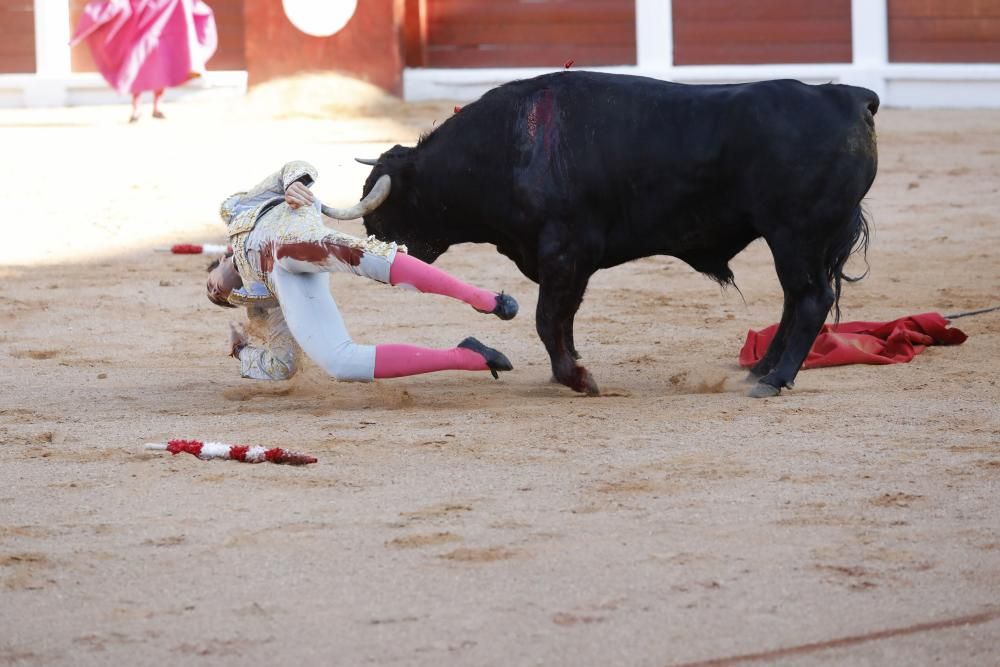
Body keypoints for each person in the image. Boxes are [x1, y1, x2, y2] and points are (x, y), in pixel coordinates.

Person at [206, 160, 518, 383]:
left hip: (285, 229)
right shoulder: (262, 310)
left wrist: (293, 184)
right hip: (286, 276)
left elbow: (292, 168)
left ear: (222, 258)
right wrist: (241, 351)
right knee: (339, 363)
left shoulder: (235, 212)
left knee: (326, 252)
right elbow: (280, 367)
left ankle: (481, 297)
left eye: (210, 286)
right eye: (219, 300)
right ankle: (465, 356)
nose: (216, 292)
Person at [71, 0, 218, 123]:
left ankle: (157, 107)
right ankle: (137, 108)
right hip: (141, 35)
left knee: (161, 69)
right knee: (136, 68)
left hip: (160, 34)